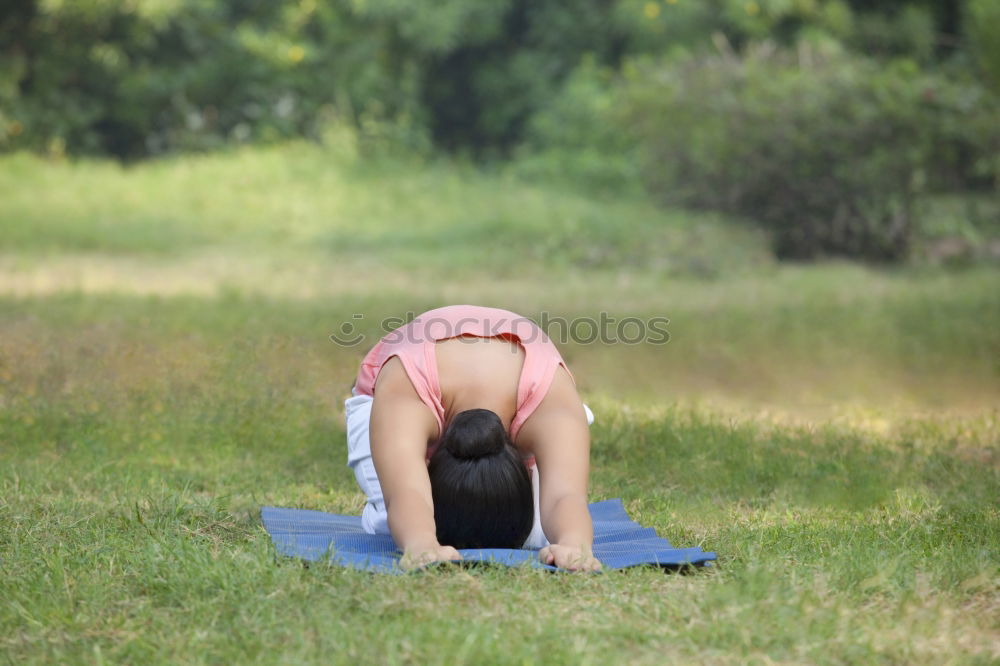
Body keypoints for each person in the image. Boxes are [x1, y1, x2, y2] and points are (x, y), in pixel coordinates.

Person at [343, 304, 600, 571]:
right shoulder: (406, 387)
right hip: (392, 392)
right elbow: (406, 491)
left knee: (542, 534)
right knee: (392, 523)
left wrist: (574, 544)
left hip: (531, 399)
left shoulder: (550, 402)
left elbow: (566, 496)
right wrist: (420, 543)